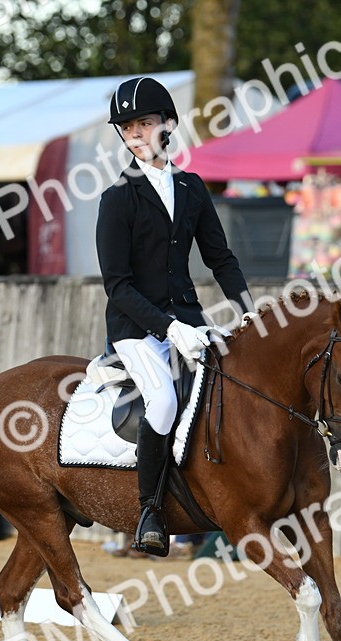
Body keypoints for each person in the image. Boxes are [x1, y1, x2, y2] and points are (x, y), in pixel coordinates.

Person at [96, 76, 253, 557]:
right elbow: (117, 286)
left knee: (234, 386)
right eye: (127, 128)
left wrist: (249, 310)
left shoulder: (191, 187)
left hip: (189, 317)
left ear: (168, 124)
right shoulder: (117, 198)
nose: (135, 134)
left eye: (144, 124)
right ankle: (150, 512)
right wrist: (168, 328)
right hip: (135, 328)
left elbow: (220, 258)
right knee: (163, 400)